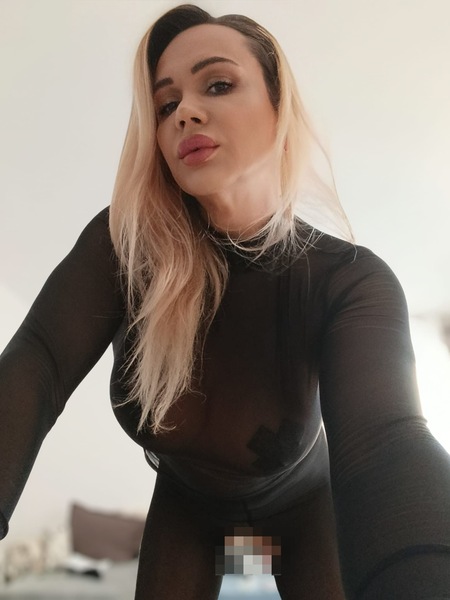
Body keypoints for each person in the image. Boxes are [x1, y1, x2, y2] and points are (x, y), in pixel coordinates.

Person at [1, 4, 450, 599]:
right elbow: (38, 362)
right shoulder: (123, 249)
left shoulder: (348, 280)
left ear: (278, 105)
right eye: (166, 105)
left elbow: (388, 442)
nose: (184, 113)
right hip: (186, 513)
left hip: (303, 515)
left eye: (217, 84)